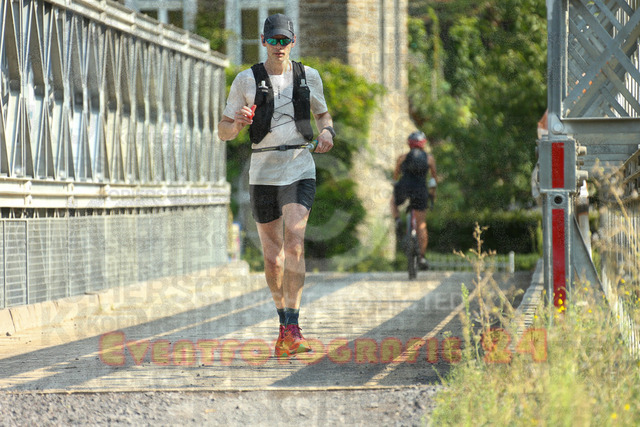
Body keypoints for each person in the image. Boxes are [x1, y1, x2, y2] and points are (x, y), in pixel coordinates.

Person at [218, 13, 334, 358]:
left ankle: (294, 326)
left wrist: (327, 132)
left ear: (293, 42)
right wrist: (238, 124)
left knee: (295, 241)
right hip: (263, 172)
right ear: (264, 41)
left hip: (299, 166)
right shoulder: (245, 80)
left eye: (285, 40)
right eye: (273, 40)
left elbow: (322, 115)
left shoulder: (308, 76)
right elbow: (223, 131)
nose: (279, 46)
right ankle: (283, 325)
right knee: (272, 258)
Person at [391, 131, 437, 270]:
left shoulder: (403, 157)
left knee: (393, 201)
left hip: (404, 188)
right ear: (423, 144)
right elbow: (433, 180)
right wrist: (432, 194)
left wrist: (395, 186)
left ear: (409, 144)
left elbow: (395, 176)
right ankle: (422, 257)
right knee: (421, 225)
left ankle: (397, 220)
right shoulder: (429, 159)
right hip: (420, 191)